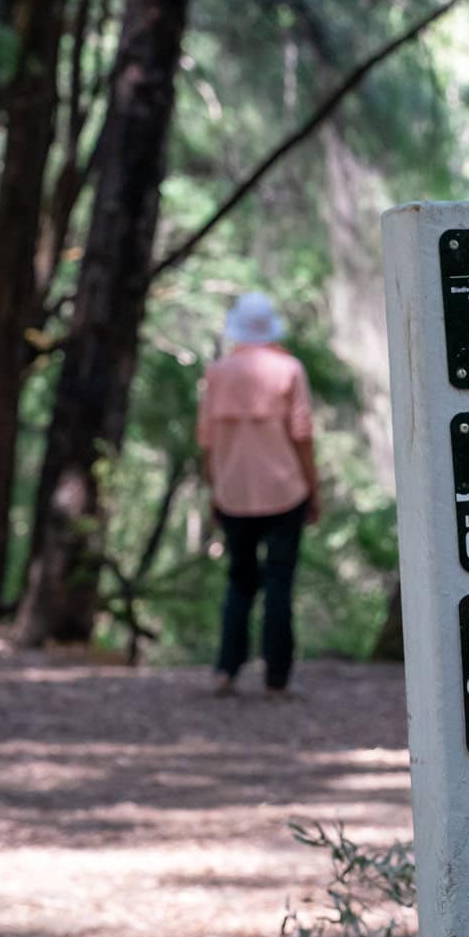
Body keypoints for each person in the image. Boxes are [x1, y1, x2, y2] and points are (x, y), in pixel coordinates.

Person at [197, 292, 320, 697]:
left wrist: (215, 491)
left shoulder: (217, 373)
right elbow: (302, 437)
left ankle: (226, 670)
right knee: (279, 584)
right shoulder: (289, 370)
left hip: (232, 494)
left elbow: (208, 443)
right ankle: (276, 679)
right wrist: (313, 490)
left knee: (239, 580)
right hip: (285, 491)